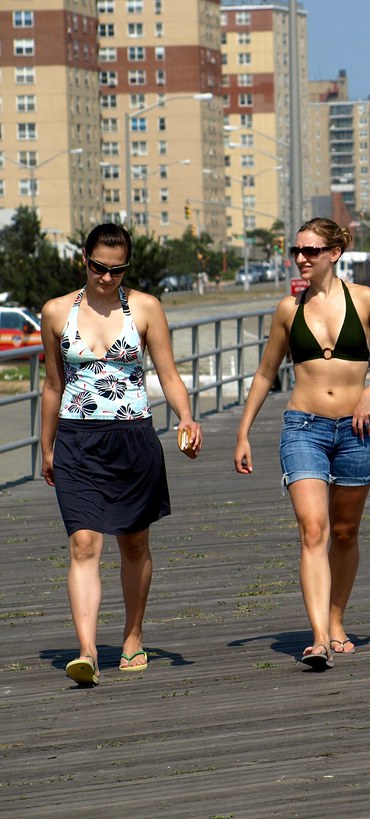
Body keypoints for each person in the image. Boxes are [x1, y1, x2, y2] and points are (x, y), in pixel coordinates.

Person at [234, 218, 370, 669]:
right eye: (297, 250)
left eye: (311, 250)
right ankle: (318, 636)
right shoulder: (287, 309)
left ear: (335, 253)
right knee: (313, 528)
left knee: (344, 532)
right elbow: (264, 373)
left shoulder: (365, 300)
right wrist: (243, 432)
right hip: (303, 427)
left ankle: (336, 619)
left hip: (356, 432)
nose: (302, 258)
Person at [40, 223, 203, 686]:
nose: (106, 278)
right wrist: (46, 446)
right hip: (76, 441)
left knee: (134, 543)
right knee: (83, 543)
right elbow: (53, 386)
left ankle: (132, 637)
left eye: (117, 270)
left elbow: (168, 375)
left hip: (133, 438)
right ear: (84, 260)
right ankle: (88, 651)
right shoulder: (56, 312)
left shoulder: (146, 308)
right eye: (98, 267)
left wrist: (187, 417)